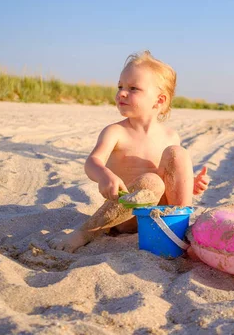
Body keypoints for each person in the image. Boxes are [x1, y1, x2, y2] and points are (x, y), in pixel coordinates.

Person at [51, 51, 210, 252]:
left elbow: (168, 177)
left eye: (133, 88)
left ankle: (180, 231)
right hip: (124, 214)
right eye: (120, 86)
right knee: (151, 182)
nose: (121, 93)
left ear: (159, 101)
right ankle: (86, 231)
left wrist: (188, 183)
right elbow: (93, 161)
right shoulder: (116, 131)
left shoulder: (170, 136)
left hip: (160, 216)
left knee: (178, 154)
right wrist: (104, 175)